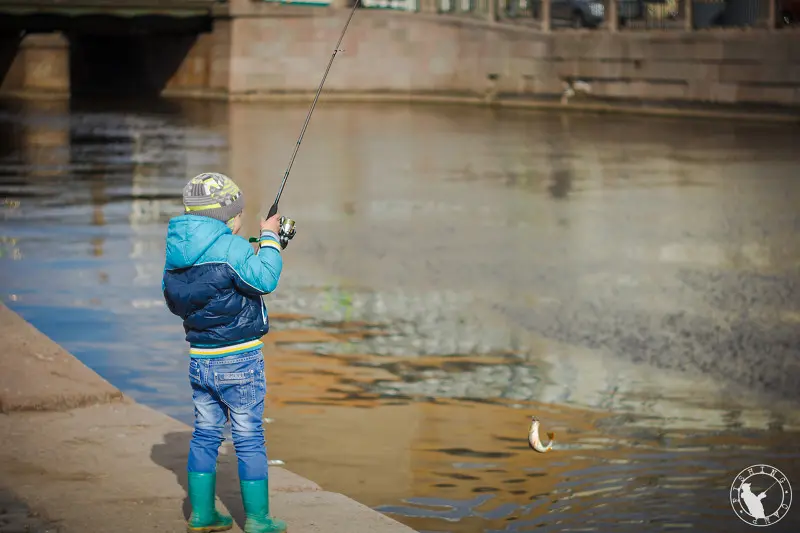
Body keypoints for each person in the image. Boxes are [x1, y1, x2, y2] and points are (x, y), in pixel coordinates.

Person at [162, 172, 287, 533]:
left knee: (205, 432)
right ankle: (259, 520)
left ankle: (202, 515)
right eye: (238, 214)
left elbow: (174, 299)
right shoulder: (231, 247)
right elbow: (264, 279)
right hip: (240, 358)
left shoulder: (176, 252)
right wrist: (269, 240)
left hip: (201, 358)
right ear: (229, 217)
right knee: (248, 435)